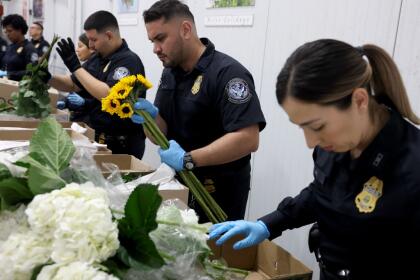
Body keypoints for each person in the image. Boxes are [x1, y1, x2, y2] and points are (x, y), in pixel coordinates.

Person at [209, 39, 420, 279]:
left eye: (317, 126)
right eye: (302, 127)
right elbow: (322, 192)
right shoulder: (332, 144)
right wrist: (269, 224)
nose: (311, 142)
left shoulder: (411, 167)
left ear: (359, 100)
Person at [133, 0, 266, 222]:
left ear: (186, 29)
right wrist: (151, 119)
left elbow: (248, 138)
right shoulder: (171, 72)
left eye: (160, 38)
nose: (155, 48)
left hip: (217, 194)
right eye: (152, 41)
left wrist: (188, 159)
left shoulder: (228, 73)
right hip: (178, 186)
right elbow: (161, 136)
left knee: (213, 255)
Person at [47, 11, 146, 159]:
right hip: (98, 136)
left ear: (109, 35)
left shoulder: (128, 61)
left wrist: (76, 67)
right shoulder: (98, 59)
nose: (91, 45)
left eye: (94, 40)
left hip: (122, 143)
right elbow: (73, 84)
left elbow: (109, 95)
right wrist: (48, 78)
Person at [57, 33, 96, 125]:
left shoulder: (94, 67)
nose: (77, 50)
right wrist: (66, 102)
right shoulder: (87, 65)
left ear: (91, 48)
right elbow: (77, 88)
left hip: (88, 121)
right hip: (79, 116)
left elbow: (99, 98)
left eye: (80, 46)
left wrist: (85, 102)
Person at [0, 14, 39, 81]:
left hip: (20, 87)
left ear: (19, 30)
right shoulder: (10, 47)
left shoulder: (29, 48)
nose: (7, 34)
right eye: (6, 32)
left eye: (10, 31)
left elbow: (32, 72)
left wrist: (8, 74)